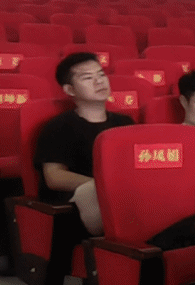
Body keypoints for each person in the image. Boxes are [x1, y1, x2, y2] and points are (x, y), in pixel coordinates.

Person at [36, 51, 133, 239]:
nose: (99, 82)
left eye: (101, 75)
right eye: (88, 78)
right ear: (70, 90)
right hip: (84, 201)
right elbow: (54, 177)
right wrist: (102, 186)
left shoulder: (125, 123)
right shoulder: (58, 127)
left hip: (122, 195)